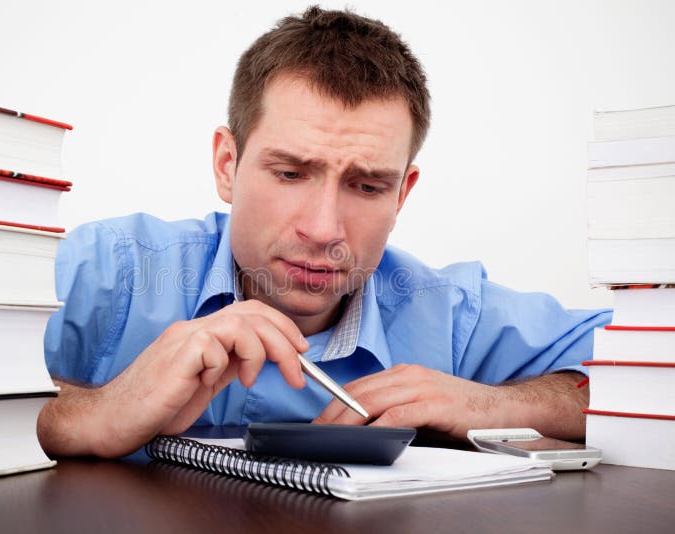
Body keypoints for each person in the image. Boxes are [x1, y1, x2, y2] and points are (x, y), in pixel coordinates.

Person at [39, 6, 611, 458]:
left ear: (402, 193)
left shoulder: (450, 315)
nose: (322, 230)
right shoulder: (107, 272)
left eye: (367, 186)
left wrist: (490, 404)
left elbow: (650, 369)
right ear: (226, 165)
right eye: (290, 173)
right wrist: (93, 412)